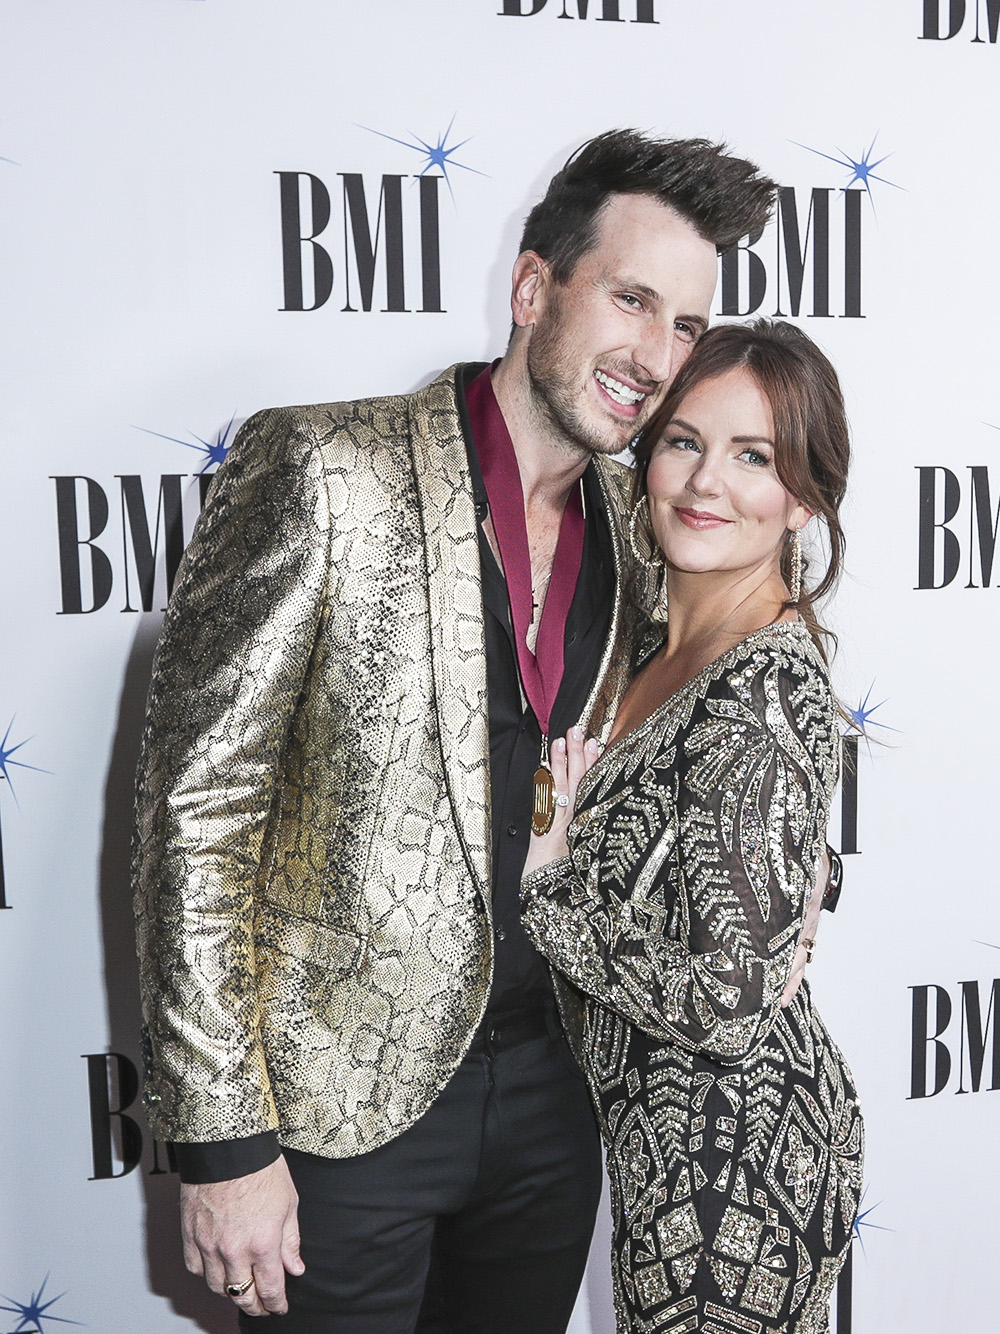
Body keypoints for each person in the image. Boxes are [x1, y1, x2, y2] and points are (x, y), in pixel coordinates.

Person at [132, 130, 778, 1332]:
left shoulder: (645, 539)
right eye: (632, 299)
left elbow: (716, 713)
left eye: (685, 325)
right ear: (535, 288)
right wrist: (220, 1143)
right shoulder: (326, 467)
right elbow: (195, 813)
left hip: (551, 1098)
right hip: (343, 1110)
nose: (655, 356)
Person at [522, 319, 863, 1333]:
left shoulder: (763, 680)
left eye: (752, 456)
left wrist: (547, 891)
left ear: (800, 496)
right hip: (669, 1146)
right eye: (684, 440)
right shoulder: (665, 642)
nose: (704, 480)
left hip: (732, 1167)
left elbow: (726, 1006)